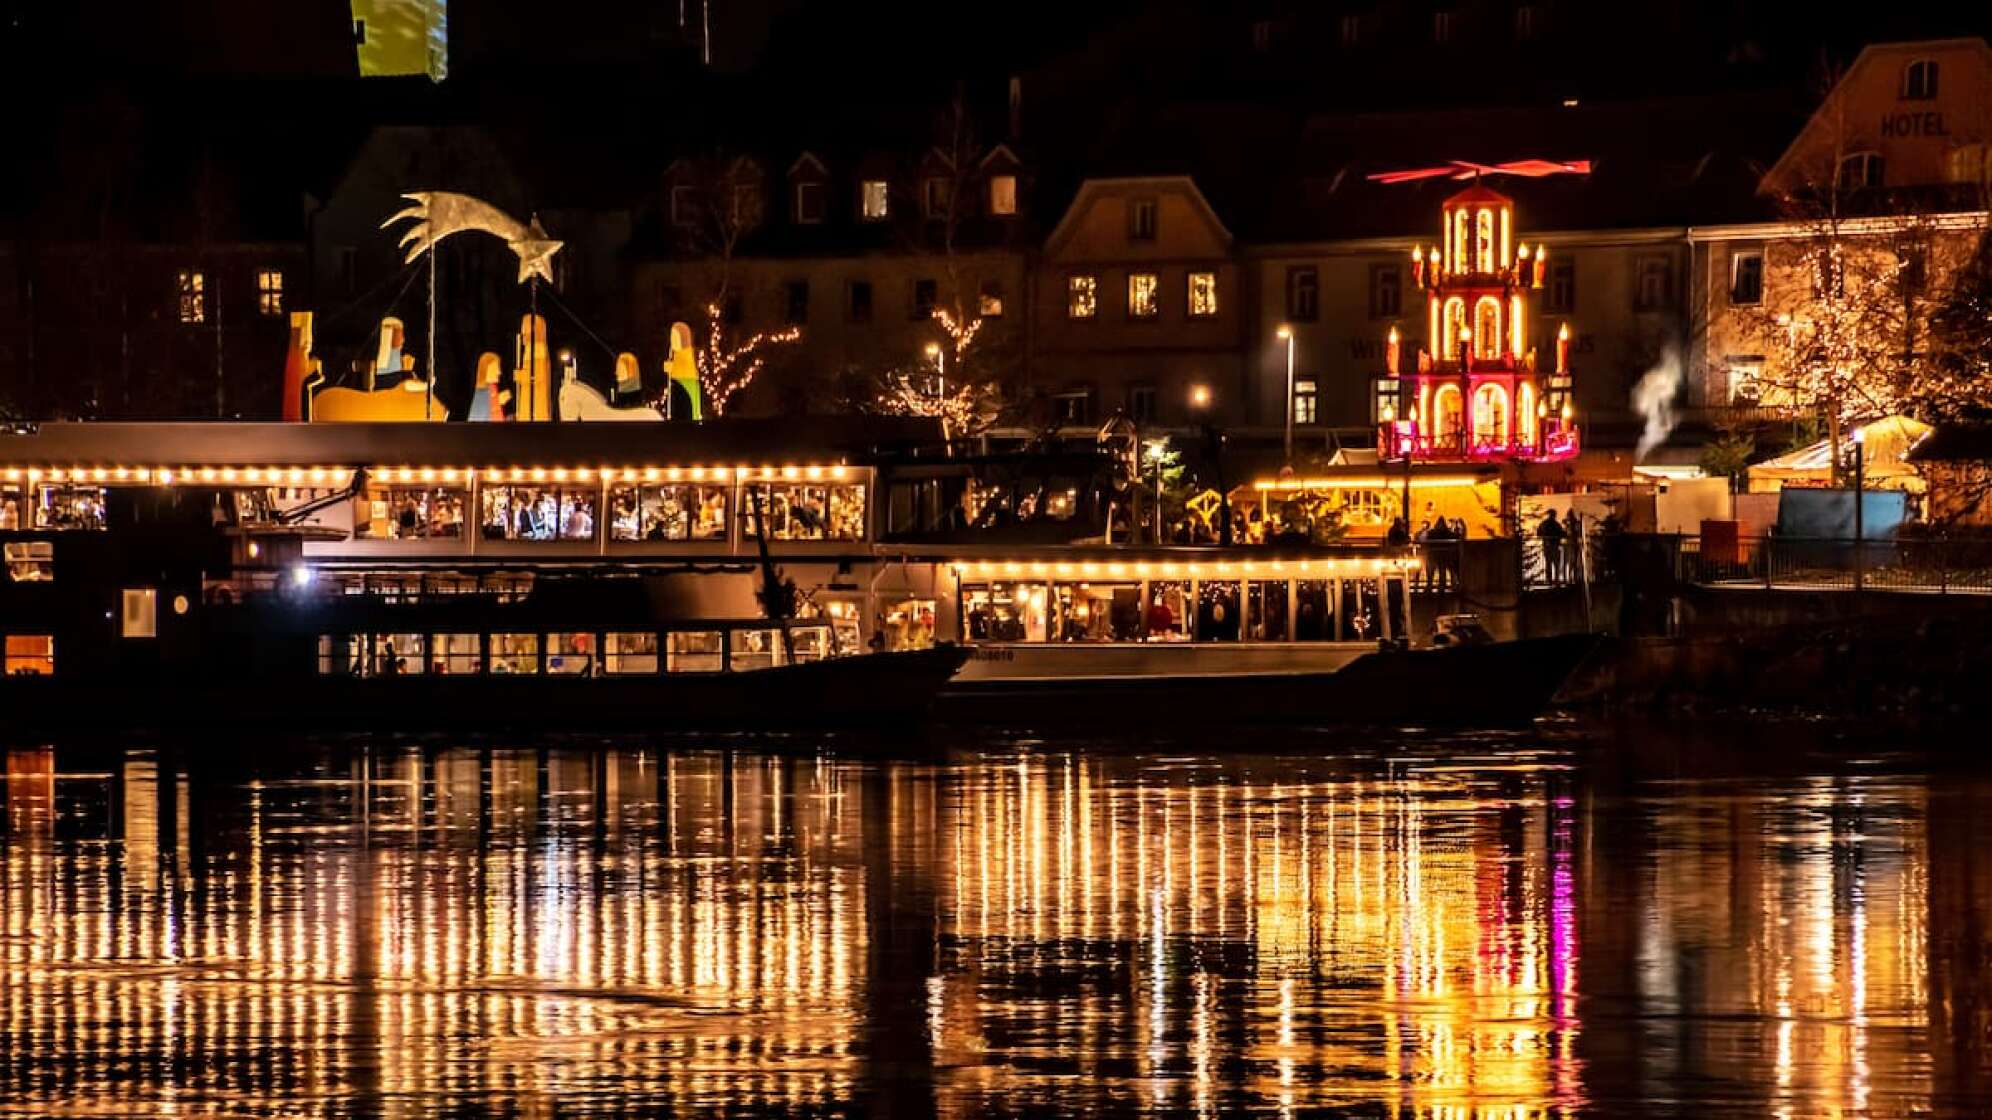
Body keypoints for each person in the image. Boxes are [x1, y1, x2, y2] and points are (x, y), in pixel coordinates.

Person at [1539, 511, 1567, 583]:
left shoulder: (1544, 523)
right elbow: (1562, 534)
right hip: (1555, 546)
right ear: (1554, 515)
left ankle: (1549, 579)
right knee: (1556, 564)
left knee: (1548, 563)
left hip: (1547, 546)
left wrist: (1545, 538)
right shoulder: (1556, 524)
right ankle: (1556, 579)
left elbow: (1539, 533)